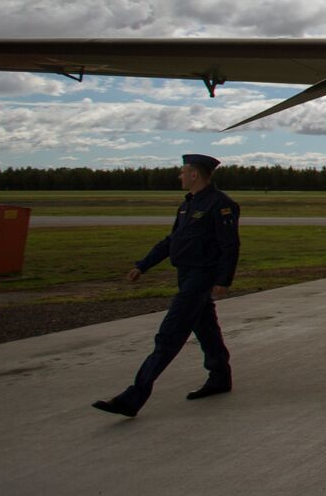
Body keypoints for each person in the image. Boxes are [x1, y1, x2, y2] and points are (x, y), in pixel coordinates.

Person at [93, 155, 240, 418]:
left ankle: (133, 397)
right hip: (185, 274)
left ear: (195, 174)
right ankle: (219, 377)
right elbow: (173, 240)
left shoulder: (221, 204)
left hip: (201, 276)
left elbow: (230, 245)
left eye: (183, 172)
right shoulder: (188, 205)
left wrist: (223, 280)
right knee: (206, 329)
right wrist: (143, 265)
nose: (179, 176)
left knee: (169, 335)